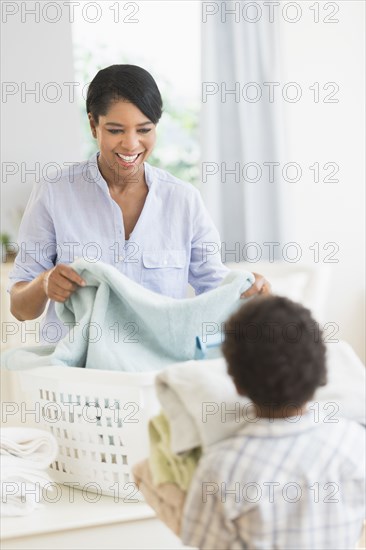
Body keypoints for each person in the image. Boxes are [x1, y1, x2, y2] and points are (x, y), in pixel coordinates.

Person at [9, 64, 270, 343]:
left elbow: (216, 291)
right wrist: (44, 283)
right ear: (93, 125)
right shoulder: (55, 192)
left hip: (155, 373)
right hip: (77, 377)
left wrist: (248, 291)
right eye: (115, 130)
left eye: (144, 129)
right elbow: (20, 309)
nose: (131, 144)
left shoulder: (183, 201)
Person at [181, 296, 366, 550]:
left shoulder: (222, 465)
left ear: (236, 383)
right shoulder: (354, 441)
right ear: (321, 373)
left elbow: (204, 542)